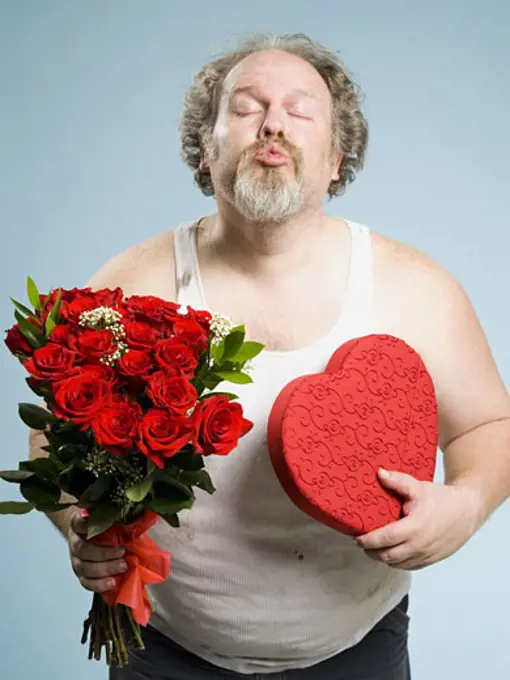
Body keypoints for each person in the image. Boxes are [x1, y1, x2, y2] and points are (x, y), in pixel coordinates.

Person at [30, 33, 510, 680]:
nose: (274, 123)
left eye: (301, 109)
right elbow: (51, 440)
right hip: (163, 654)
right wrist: (79, 528)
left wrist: (467, 504)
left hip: (358, 653)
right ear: (207, 148)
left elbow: (490, 426)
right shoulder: (131, 287)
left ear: (338, 157)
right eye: (248, 106)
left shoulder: (416, 289)